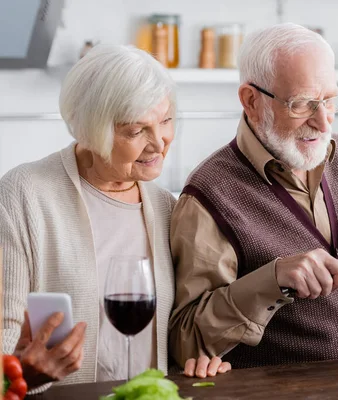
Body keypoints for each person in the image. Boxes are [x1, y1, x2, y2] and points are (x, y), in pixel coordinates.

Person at [168, 23, 338, 369]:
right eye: (302, 104)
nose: (324, 122)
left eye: (330, 100)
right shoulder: (209, 196)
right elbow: (185, 340)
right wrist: (273, 280)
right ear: (251, 101)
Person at [0, 45, 230, 393]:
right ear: (91, 131)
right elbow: (5, 333)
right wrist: (19, 375)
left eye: (165, 120)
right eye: (137, 131)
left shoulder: (166, 206)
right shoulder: (24, 194)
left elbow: (178, 329)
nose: (159, 143)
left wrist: (199, 358)